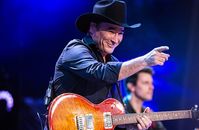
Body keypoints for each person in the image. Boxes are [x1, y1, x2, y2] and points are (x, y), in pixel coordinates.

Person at [44, 0, 170, 129]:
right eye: (111, 30)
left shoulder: (113, 62)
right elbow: (100, 72)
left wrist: (137, 125)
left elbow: (116, 121)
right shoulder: (74, 49)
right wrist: (145, 61)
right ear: (93, 28)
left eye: (120, 33)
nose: (116, 39)